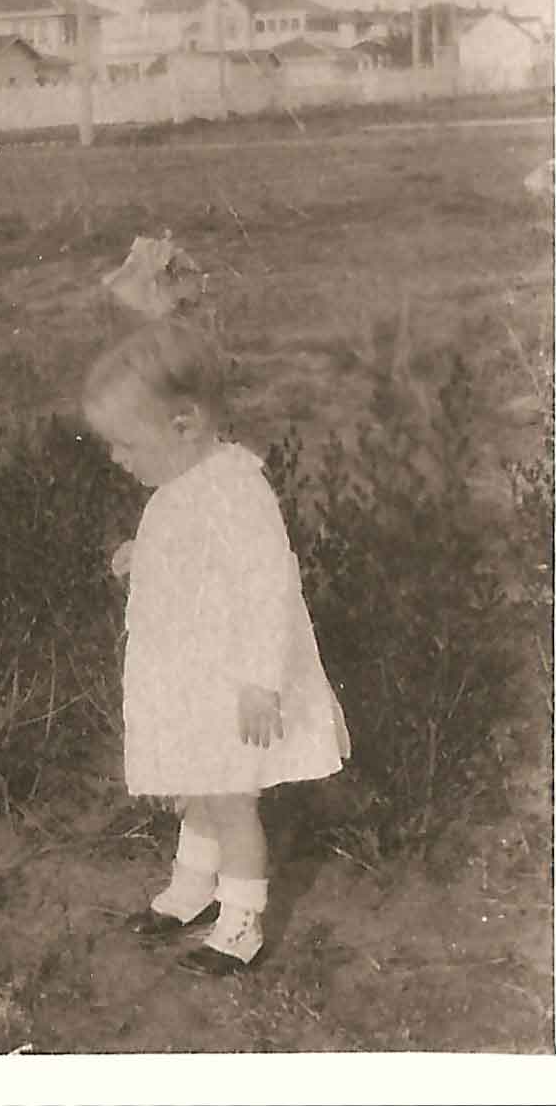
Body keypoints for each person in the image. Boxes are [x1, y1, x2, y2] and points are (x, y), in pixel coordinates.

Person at [83, 319, 350, 976]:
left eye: (126, 445)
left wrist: (262, 680)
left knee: (230, 798)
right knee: (196, 783)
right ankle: (192, 885)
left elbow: (266, 586)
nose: (119, 459)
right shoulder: (181, 485)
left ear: (183, 424)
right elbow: (191, 552)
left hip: (233, 682)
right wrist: (142, 555)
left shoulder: (236, 489)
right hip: (188, 677)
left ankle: (242, 918)